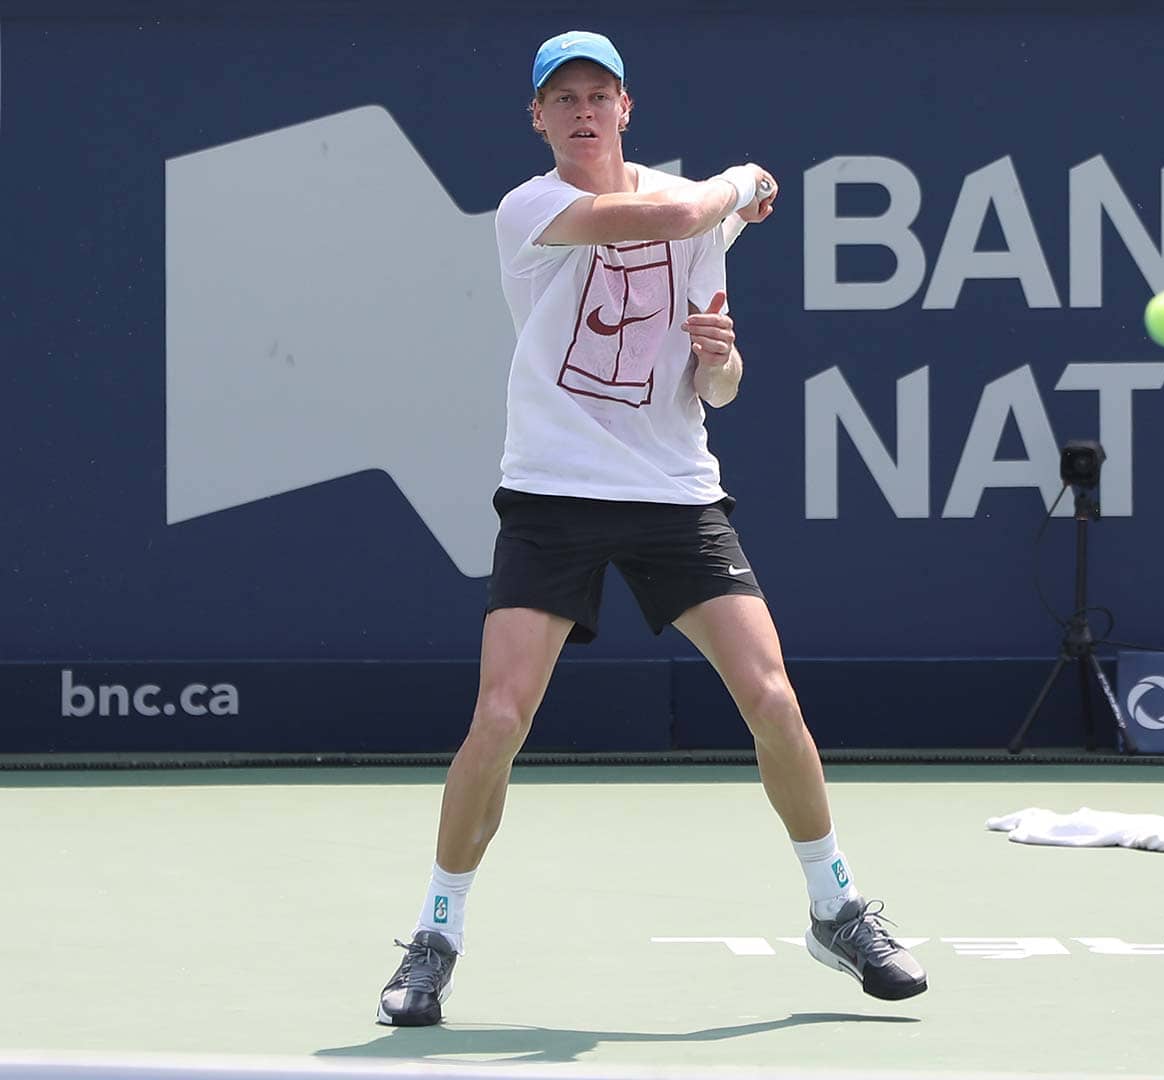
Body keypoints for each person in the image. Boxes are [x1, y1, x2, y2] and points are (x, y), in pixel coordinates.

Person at [375, 29, 927, 1027]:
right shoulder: (534, 208)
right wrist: (744, 183)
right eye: (563, 99)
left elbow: (719, 380)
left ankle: (835, 907)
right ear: (538, 119)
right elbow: (674, 209)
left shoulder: (697, 212)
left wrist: (719, 357)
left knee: (773, 698)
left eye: (600, 95)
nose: (582, 111)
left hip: (678, 494)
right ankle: (436, 934)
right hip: (552, 493)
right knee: (500, 718)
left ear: (626, 108)